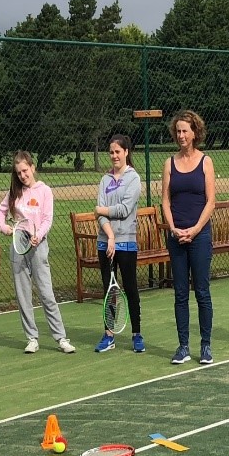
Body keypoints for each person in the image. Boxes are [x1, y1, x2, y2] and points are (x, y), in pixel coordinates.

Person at [0, 151, 74, 355]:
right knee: (23, 294)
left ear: (32, 167)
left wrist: (38, 235)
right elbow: (0, 211)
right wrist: (3, 226)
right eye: (19, 172)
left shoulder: (44, 191)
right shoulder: (15, 192)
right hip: (18, 242)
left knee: (46, 293)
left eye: (25, 170)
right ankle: (32, 338)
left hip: (38, 244)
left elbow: (47, 219)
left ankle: (61, 338)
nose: (23, 175)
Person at [161, 109, 216, 364]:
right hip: (176, 238)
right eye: (178, 131)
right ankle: (183, 346)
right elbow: (165, 201)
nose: (181, 135)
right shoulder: (169, 163)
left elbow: (211, 202)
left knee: (202, 292)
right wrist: (173, 229)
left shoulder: (206, 162)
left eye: (186, 131)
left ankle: (205, 346)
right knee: (180, 293)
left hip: (200, 236)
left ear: (195, 133)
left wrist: (194, 230)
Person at [92, 132, 146, 354]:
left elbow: (124, 210)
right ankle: (109, 335)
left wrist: (102, 210)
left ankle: (137, 334)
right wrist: (109, 235)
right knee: (109, 292)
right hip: (106, 244)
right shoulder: (105, 180)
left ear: (126, 152)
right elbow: (101, 216)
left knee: (131, 289)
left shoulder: (133, 178)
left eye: (118, 152)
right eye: (111, 152)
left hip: (126, 243)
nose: (114, 156)